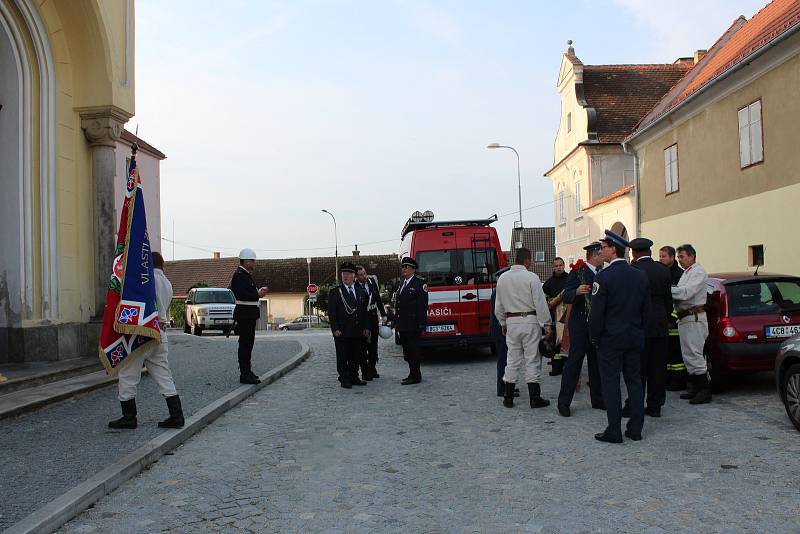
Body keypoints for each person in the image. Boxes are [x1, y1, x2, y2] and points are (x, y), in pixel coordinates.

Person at [109, 252, 184, 429]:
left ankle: (129, 416)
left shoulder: (146, 280)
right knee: (163, 375)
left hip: (142, 333)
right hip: (160, 332)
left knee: (128, 374)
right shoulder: (167, 282)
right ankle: (176, 414)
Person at [588, 230, 649, 443]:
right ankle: (636, 428)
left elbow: (597, 314)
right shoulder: (639, 275)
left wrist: (594, 338)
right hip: (633, 337)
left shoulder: (603, 277)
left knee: (611, 383)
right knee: (634, 381)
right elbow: (645, 310)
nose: (600, 252)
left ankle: (614, 429)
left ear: (613, 249)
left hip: (610, 339)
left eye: (603, 248)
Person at [494, 247, 552, 409]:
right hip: (530, 320)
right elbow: (540, 303)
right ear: (527, 260)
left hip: (511, 322)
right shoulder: (531, 277)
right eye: (530, 260)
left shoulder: (503, 279)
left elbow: (498, 307)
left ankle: (508, 397)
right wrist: (546, 324)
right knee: (532, 359)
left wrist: (503, 323)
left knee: (512, 359)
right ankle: (535, 398)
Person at [623, 238, 673, 418]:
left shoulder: (633, 270)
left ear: (634, 253)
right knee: (658, 367)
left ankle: (633, 404)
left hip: (639, 323)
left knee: (637, 368)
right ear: (650, 252)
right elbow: (669, 300)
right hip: (660, 322)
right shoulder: (662, 270)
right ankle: (655, 405)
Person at [556, 242, 605, 417]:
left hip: (596, 325)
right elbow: (566, 294)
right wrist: (576, 291)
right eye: (601, 254)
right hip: (580, 324)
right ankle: (564, 402)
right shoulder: (578, 272)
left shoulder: (602, 272)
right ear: (594, 255)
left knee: (596, 363)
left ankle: (598, 399)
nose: (603, 257)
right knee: (574, 363)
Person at [671, 244, 712, 404]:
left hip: (694, 317)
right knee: (688, 355)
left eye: (682, 257)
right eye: (678, 257)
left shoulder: (698, 272)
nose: (680, 260)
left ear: (692, 256)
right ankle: (695, 387)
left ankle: (704, 390)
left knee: (695, 354)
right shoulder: (687, 273)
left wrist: (667, 290)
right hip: (685, 317)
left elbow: (686, 293)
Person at [229, 248, 268, 384]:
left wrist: (257, 292)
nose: (254, 263)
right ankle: (245, 373)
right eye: (252, 261)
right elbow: (242, 295)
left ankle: (247, 371)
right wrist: (258, 295)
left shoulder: (244, 275)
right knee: (245, 344)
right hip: (245, 314)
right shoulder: (240, 275)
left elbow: (246, 293)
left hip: (248, 314)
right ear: (245, 262)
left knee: (248, 344)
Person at [328, 262, 369, 388]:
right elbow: (332, 313)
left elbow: (364, 311)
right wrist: (335, 329)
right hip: (342, 331)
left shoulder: (360, 291)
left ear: (354, 276)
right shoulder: (335, 292)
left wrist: (366, 327)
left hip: (357, 330)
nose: (345, 276)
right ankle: (344, 378)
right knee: (342, 356)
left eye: (348, 274)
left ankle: (354, 376)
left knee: (355, 355)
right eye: (343, 274)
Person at [394, 257, 428, 385]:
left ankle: (416, 376)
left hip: (413, 324)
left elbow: (422, 305)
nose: (404, 269)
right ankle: (412, 373)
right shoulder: (403, 283)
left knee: (413, 351)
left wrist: (421, 323)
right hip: (403, 324)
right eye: (403, 267)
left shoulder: (420, 283)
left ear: (413, 270)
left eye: (406, 267)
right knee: (407, 351)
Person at [660, 246, 687, 391]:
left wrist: (672, 319)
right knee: (668, 353)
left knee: (677, 354)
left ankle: (679, 381)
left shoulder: (679, 275)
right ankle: (669, 379)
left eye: (664, 256)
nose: (661, 259)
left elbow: (680, 301)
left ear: (671, 258)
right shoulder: (664, 273)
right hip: (665, 320)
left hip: (675, 321)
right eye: (660, 256)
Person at [356, 265, 387, 380]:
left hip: (373, 318)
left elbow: (378, 298)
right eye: (361, 275)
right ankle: (365, 372)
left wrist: (383, 314)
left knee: (373, 346)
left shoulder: (372, 282)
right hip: (363, 320)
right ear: (356, 276)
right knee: (363, 347)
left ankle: (372, 368)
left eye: (364, 273)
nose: (364, 276)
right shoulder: (354, 286)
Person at [490, 267, 516, 397]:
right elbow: (501, 312)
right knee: (503, 360)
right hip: (501, 330)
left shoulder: (499, 291)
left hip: (501, 330)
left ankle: (506, 385)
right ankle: (502, 388)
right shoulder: (499, 292)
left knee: (506, 359)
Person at [543, 257, 569, 376]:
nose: (558, 268)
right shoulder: (549, 282)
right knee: (555, 345)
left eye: (560, 265)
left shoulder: (570, 279)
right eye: (556, 266)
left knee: (567, 343)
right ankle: (556, 367)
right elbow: (543, 300)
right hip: (554, 318)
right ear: (553, 267)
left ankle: (568, 367)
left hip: (567, 317)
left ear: (564, 265)